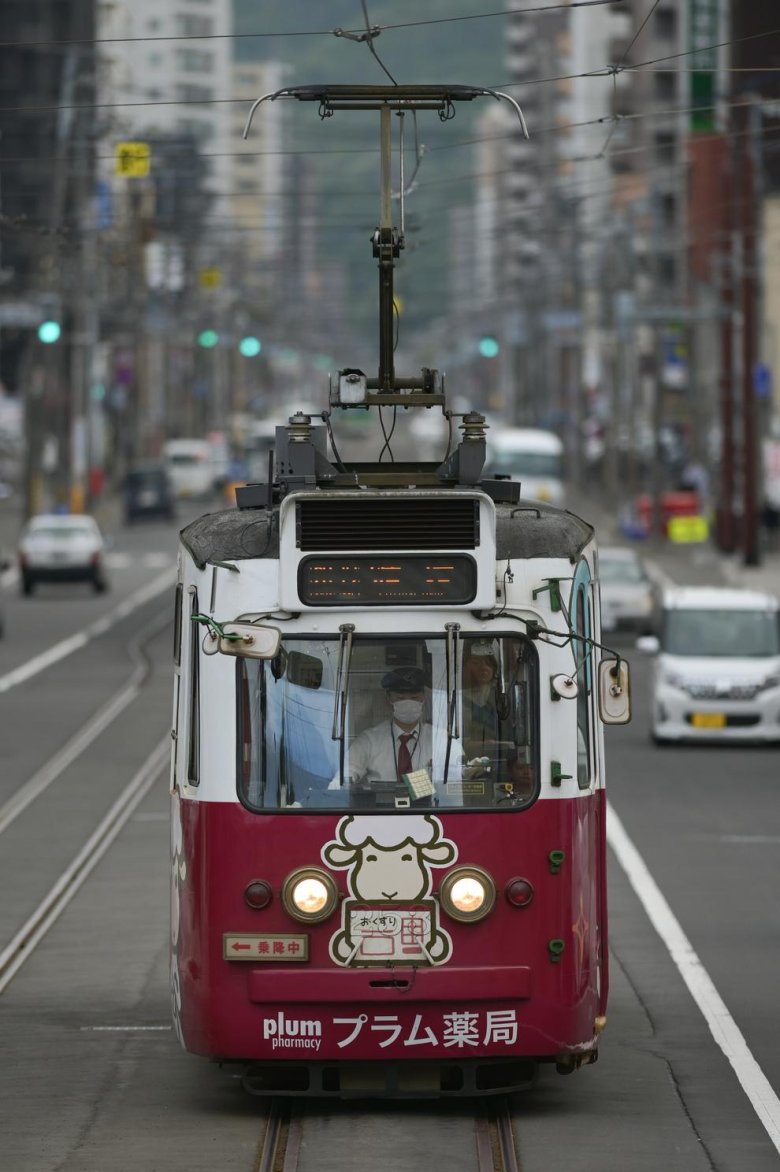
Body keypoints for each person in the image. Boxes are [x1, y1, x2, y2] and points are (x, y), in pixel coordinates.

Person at [332, 665, 463, 798]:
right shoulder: (369, 740)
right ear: (388, 700)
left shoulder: (440, 739)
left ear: (423, 698)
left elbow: (461, 778)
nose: (408, 703)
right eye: (401, 698)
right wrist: (344, 784)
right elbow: (343, 777)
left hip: (433, 811)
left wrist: (439, 773)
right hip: (380, 814)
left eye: (414, 697)